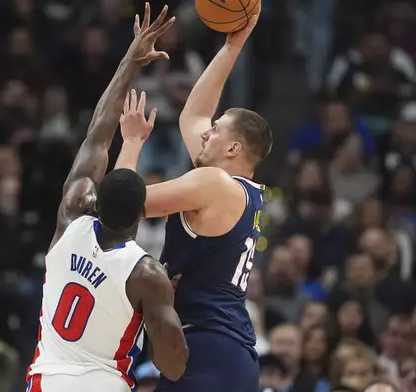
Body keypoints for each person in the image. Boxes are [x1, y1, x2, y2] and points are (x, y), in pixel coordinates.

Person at [26, 4, 188, 392]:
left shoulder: (71, 215)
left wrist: (129, 60)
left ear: (96, 199)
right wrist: (164, 307)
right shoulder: (147, 274)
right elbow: (174, 367)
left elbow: (98, 133)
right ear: (141, 214)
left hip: (45, 380)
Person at [115, 9, 270, 392]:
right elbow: (195, 114)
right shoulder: (242, 191)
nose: (206, 133)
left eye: (215, 131)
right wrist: (233, 44)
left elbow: (120, 206)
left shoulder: (213, 183)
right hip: (220, 350)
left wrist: (132, 143)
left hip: (206, 349)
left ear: (233, 147)